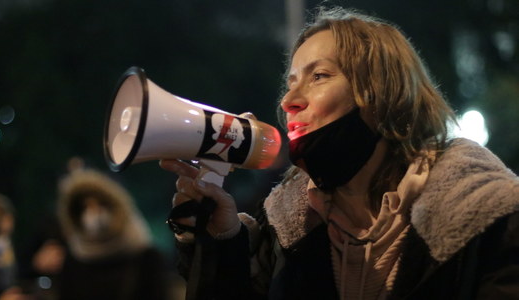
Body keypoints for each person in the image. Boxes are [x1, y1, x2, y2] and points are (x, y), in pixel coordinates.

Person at [159, 6, 519, 300]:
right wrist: (222, 242)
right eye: (291, 82)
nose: (288, 101)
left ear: (381, 92)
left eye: (319, 76)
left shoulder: (490, 217)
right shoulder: (287, 229)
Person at [53, 167, 172, 300]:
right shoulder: (74, 259)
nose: (93, 213)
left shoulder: (145, 256)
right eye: (85, 207)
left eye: (99, 205)